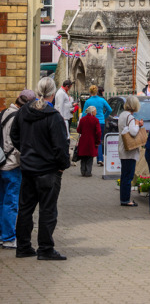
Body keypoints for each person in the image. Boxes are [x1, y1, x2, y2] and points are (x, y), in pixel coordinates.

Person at [11, 77, 70, 260]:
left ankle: (23, 247)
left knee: (25, 209)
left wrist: (27, 152)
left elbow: (15, 136)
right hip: (48, 170)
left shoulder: (23, 112)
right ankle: (44, 249)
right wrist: (62, 166)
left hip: (29, 168)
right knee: (47, 210)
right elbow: (61, 146)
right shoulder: (53, 117)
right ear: (52, 93)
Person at [0, 89, 36, 249]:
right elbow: (17, 144)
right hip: (12, 165)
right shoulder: (19, 118)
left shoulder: (3, 113)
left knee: (2, 202)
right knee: (11, 202)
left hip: (0, 163)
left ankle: (2, 235)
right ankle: (8, 237)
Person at [117, 95, 144, 207]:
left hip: (122, 148)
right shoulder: (130, 117)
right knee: (128, 176)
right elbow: (133, 132)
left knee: (124, 175)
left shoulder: (122, 115)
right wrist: (138, 125)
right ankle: (126, 199)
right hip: (129, 151)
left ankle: (123, 198)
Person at [82, 84, 111, 166]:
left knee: (91, 139)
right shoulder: (102, 100)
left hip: (91, 122)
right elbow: (109, 109)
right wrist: (104, 116)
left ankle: (90, 157)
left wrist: (82, 122)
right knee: (99, 140)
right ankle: (100, 158)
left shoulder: (88, 101)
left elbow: (84, 114)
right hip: (101, 122)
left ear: (90, 92)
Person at [76, 105, 101, 178]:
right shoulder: (95, 120)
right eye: (95, 111)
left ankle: (83, 171)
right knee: (90, 157)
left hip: (83, 140)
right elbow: (98, 132)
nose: (96, 112)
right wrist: (97, 141)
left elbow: (78, 130)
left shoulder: (82, 119)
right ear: (92, 112)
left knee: (83, 157)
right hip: (91, 141)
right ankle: (88, 172)